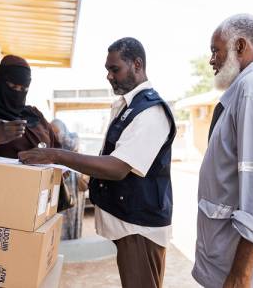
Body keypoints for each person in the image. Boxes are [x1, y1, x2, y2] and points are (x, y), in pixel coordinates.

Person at [19, 37, 176, 288]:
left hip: (139, 228)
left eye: (115, 69)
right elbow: (113, 155)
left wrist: (56, 155)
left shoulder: (151, 112)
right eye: (107, 70)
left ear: (137, 64)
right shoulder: (127, 106)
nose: (109, 76)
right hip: (128, 224)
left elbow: (117, 167)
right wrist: (87, 179)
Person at [191, 14, 253, 288]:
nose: (211, 60)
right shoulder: (241, 90)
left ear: (240, 46)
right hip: (222, 264)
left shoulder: (251, 90)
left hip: (236, 273)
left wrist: (240, 275)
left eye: (215, 50)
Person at [51, 118, 87, 240]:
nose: (55, 135)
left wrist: (60, 136)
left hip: (74, 186)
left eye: (57, 132)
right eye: (52, 132)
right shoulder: (52, 142)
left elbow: (72, 147)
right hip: (61, 185)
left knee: (73, 212)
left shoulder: (73, 137)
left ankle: (74, 240)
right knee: (62, 215)